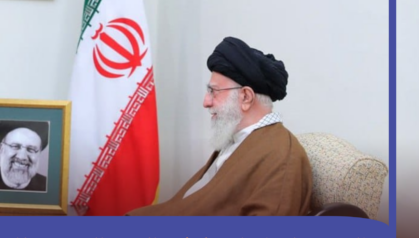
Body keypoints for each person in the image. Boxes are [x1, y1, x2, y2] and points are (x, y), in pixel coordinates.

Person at [129, 37, 312, 216]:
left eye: (213, 91)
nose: (206, 102)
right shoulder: (239, 139)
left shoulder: (281, 157)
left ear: (246, 97)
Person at [0, 120, 48, 191]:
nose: (22, 157)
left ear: (39, 154)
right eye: (15, 146)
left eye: (31, 149)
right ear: (2, 148)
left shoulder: (47, 186)